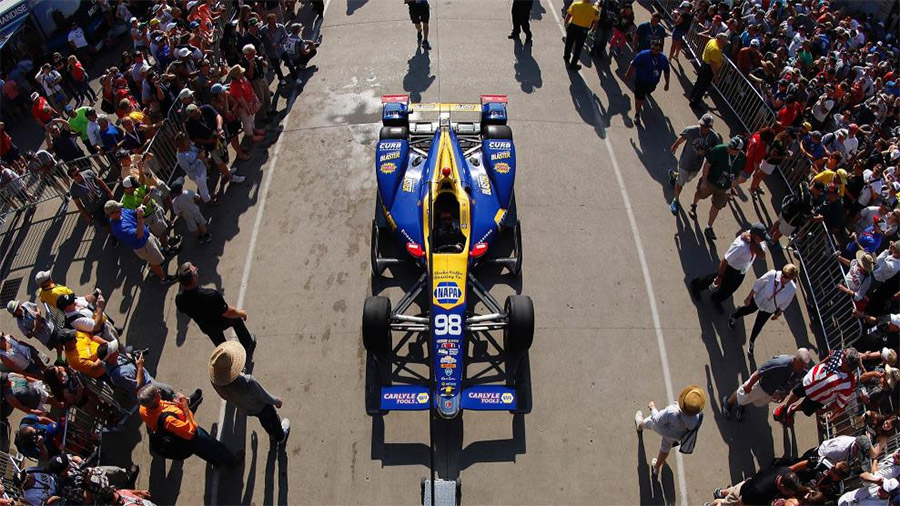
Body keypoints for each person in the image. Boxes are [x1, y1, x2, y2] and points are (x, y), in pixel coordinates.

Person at [138, 383, 243, 467]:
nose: (159, 391)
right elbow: (190, 432)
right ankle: (231, 461)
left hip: (180, 437)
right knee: (214, 446)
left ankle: (215, 462)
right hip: (192, 437)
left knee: (202, 452)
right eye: (157, 392)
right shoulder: (169, 420)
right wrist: (184, 407)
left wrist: (176, 401)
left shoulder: (143, 409)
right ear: (154, 399)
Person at [209, 341, 291, 445]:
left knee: (263, 420)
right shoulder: (248, 381)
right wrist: (276, 401)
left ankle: (271, 434)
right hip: (261, 406)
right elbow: (263, 396)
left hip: (247, 409)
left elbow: (224, 397)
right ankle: (280, 436)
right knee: (272, 418)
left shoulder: (216, 383)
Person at [175, 262, 257, 354]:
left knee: (220, 342)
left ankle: (230, 358)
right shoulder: (210, 295)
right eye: (195, 270)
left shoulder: (179, 299)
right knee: (236, 319)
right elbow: (228, 312)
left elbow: (183, 310)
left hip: (206, 326)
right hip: (220, 321)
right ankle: (248, 344)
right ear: (194, 278)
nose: (197, 270)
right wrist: (241, 313)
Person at [690, 222, 768, 311]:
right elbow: (725, 260)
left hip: (742, 271)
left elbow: (762, 255)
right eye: (761, 238)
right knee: (714, 281)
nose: (763, 240)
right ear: (755, 236)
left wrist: (752, 244)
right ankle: (696, 285)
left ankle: (716, 299)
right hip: (730, 269)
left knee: (730, 289)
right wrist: (720, 276)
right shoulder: (741, 246)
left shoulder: (758, 241)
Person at [774, 348, 860, 427]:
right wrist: (817, 366)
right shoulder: (840, 355)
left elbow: (839, 403)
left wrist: (825, 410)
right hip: (810, 380)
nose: (842, 355)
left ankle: (792, 410)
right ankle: (785, 407)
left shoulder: (848, 384)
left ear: (849, 366)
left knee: (805, 408)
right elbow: (829, 357)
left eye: (845, 357)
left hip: (818, 399)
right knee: (797, 393)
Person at [722, 349, 812, 421]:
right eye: (800, 366)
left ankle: (742, 404)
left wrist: (784, 394)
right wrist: (749, 385)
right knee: (741, 393)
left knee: (754, 401)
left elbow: (792, 383)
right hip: (760, 386)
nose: (802, 369)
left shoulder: (802, 371)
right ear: (794, 360)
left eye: (804, 367)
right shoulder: (780, 363)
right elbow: (759, 372)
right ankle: (728, 402)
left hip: (771, 393)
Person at [728, 264, 799, 356]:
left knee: (759, 324)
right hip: (759, 299)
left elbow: (786, 302)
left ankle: (752, 341)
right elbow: (758, 284)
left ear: (791, 278)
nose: (783, 277)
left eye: (787, 277)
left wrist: (778, 314)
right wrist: (749, 298)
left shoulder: (792, 289)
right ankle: (734, 316)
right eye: (783, 274)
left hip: (770, 307)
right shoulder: (772, 275)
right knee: (747, 310)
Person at [635, 385, 704, 477]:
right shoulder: (696, 418)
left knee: (649, 422)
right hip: (676, 436)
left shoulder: (672, 412)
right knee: (666, 447)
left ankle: (640, 425)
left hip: (663, 430)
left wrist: (653, 408)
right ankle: (656, 467)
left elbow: (657, 420)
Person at [105, 200, 178, 284]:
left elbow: (133, 213)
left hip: (148, 236)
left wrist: (139, 209)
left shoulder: (122, 211)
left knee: (156, 256)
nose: (121, 210)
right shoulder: (118, 228)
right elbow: (138, 235)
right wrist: (140, 217)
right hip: (143, 246)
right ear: (111, 214)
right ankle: (163, 278)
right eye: (118, 210)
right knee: (155, 263)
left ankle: (156, 266)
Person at [689, 137, 747, 240]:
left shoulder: (742, 158)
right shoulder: (718, 150)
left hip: (725, 187)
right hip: (710, 181)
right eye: (729, 145)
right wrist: (703, 181)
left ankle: (709, 227)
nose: (729, 148)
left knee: (717, 206)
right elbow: (707, 165)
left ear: (738, 150)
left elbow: (739, 173)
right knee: (700, 194)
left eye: (732, 148)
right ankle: (694, 205)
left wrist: (735, 183)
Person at [668, 114, 722, 214]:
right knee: (681, 183)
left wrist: (705, 152)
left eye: (705, 126)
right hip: (685, 161)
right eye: (701, 124)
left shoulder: (713, 137)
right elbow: (682, 137)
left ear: (710, 127)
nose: (702, 127)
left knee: (688, 179)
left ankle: (674, 175)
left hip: (696, 165)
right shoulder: (691, 130)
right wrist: (675, 146)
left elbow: (713, 152)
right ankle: (675, 200)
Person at [624, 40, 669, 126]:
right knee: (639, 97)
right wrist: (628, 74)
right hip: (641, 80)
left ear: (660, 50)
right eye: (653, 49)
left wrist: (667, 83)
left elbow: (666, 71)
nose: (655, 51)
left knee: (646, 93)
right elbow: (633, 64)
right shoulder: (643, 55)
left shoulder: (663, 59)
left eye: (657, 50)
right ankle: (637, 114)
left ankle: (644, 96)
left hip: (653, 82)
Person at [706, 467, 803, 506]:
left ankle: (720, 492)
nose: (790, 494)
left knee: (733, 489)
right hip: (742, 495)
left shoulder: (785, 472)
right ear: (782, 485)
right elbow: (741, 502)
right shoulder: (759, 490)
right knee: (724, 504)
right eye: (789, 491)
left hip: (747, 484)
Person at [689, 33, 727, 108]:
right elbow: (713, 64)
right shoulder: (715, 49)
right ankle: (694, 103)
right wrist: (716, 76)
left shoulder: (712, 41)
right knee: (702, 87)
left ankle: (692, 97)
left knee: (699, 83)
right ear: (719, 40)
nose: (725, 43)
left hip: (704, 65)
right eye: (724, 41)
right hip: (708, 69)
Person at [169, 177, 211, 243]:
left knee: (193, 228)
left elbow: (177, 213)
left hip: (187, 216)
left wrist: (181, 213)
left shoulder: (175, 202)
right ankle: (207, 235)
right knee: (200, 223)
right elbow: (198, 197)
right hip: (195, 211)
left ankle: (200, 238)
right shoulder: (188, 192)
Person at [563, 0, 599, 71]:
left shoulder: (575, 4)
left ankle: (566, 58)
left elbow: (568, 15)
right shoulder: (594, 9)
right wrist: (592, 31)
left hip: (573, 27)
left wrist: (566, 23)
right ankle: (573, 64)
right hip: (583, 30)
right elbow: (596, 23)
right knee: (578, 48)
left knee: (569, 44)